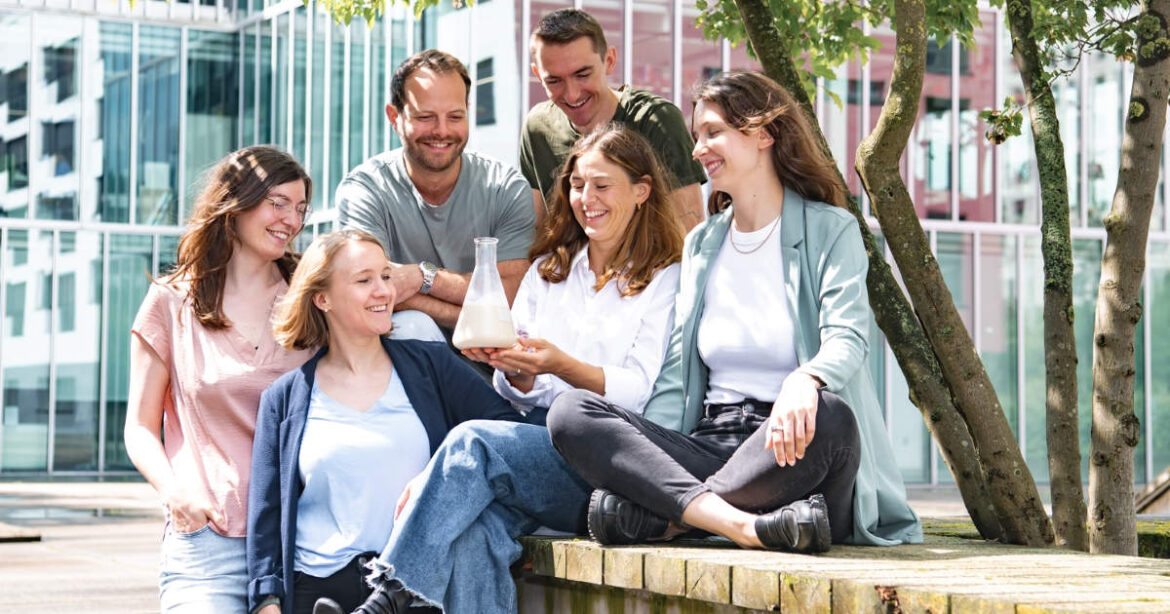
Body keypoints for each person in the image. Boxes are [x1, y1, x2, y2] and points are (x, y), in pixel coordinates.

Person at [547, 71, 923, 553]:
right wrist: (651, 447)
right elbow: (675, 378)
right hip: (712, 443)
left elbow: (847, 337)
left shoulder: (831, 229)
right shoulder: (702, 243)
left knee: (831, 415)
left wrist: (806, 380)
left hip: (790, 445)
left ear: (764, 134)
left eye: (713, 132)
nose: (698, 149)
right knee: (571, 412)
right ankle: (745, 525)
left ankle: (674, 520)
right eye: (696, 136)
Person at [315, 124, 684, 614]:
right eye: (577, 185)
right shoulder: (548, 271)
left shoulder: (666, 278)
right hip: (537, 447)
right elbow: (518, 391)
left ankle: (389, 597)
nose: (586, 199)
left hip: (607, 461)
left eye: (602, 185)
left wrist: (560, 364)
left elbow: (637, 392)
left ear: (641, 191)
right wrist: (520, 373)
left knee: (473, 440)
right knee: (477, 536)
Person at [246, 229, 527, 614]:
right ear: (322, 298)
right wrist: (266, 603)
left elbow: (507, 443)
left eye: (386, 276)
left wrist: (441, 478)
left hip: (411, 591)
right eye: (364, 280)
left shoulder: (432, 366)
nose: (383, 291)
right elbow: (266, 520)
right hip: (317, 592)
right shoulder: (283, 400)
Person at [123, 146, 316, 612]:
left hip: (301, 539)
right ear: (236, 203)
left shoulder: (310, 299)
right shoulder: (171, 302)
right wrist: (176, 495)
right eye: (277, 203)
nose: (291, 220)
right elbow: (139, 427)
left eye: (300, 208)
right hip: (208, 542)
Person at [336, 49, 534, 343]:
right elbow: (370, 293)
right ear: (394, 117)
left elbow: (512, 295)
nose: (442, 131)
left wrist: (421, 277)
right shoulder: (364, 190)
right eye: (425, 117)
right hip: (401, 361)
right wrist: (479, 321)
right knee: (412, 326)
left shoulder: (505, 188)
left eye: (455, 116)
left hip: (495, 365)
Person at [522, 8, 707, 231]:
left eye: (583, 75)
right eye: (554, 81)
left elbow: (690, 230)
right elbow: (541, 230)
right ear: (538, 75)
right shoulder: (538, 127)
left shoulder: (657, 120)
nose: (572, 95)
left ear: (609, 61)